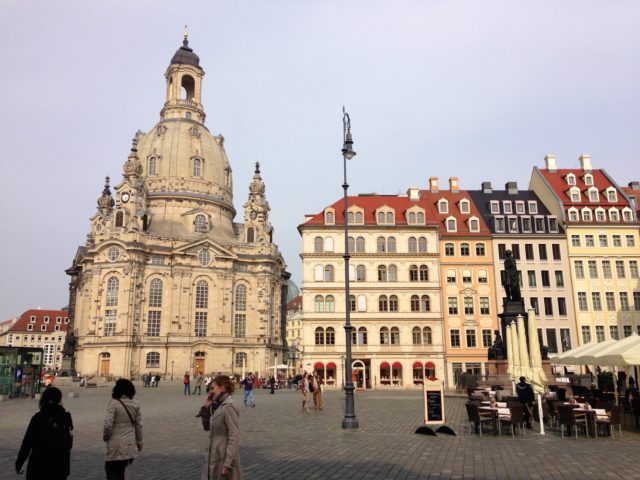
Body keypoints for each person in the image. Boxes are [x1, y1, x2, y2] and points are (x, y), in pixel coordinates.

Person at [15, 386, 73, 479]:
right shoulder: (66, 417)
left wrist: (19, 463)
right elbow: (68, 442)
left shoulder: (38, 418)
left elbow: (27, 443)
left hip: (39, 467)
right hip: (60, 468)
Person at [199, 375, 243, 480]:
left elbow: (234, 435)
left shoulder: (229, 407)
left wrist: (227, 464)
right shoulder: (217, 406)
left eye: (213, 388)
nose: (210, 392)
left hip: (223, 459)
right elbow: (207, 427)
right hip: (214, 456)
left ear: (222, 388)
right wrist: (206, 408)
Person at [103, 379, 143, 480]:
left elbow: (108, 424)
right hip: (129, 443)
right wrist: (139, 442)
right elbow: (138, 425)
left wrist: (106, 436)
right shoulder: (135, 404)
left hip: (115, 443)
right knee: (121, 471)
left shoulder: (114, 403)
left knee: (111, 471)